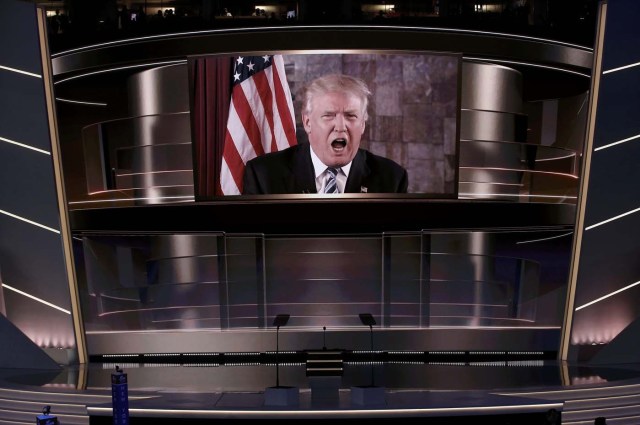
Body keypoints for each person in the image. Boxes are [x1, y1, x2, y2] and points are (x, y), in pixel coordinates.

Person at [242, 74, 408, 194]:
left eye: (351, 116)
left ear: (363, 124)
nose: (340, 126)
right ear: (307, 123)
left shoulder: (392, 179)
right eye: (329, 115)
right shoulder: (263, 175)